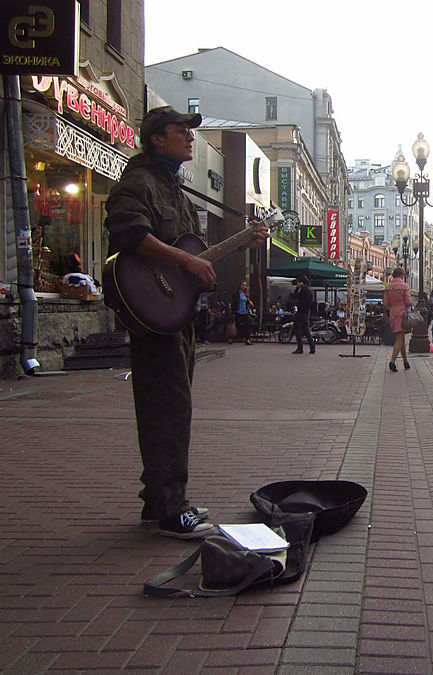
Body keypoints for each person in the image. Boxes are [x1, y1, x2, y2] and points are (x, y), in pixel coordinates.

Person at [104, 105, 268, 538]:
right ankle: (170, 509)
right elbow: (129, 234)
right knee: (168, 410)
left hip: (173, 316)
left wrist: (239, 246)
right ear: (157, 137)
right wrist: (185, 263)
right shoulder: (139, 183)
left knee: (173, 409)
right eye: (182, 131)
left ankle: (159, 500)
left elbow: (190, 256)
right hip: (152, 313)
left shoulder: (172, 188)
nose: (190, 139)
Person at [383, 267, 414, 371]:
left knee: (400, 338)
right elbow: (409, 302)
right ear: (402, 275)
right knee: (399, 338)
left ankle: (406, 361)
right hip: (402, 314)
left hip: (393, 313)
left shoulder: (388, 287)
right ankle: (392, 362)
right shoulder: (404, 286)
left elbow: (386, 303)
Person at [288, 275, 315, 354]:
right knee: (306, 330)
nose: (297, 284)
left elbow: (295, 297)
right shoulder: (309, 291)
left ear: (301, 283)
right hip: (306, 313)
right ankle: (312, 347)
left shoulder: (303, 290)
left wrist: (296, 290)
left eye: (298, 282)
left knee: (298, 331)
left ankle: (300, 348)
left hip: (301, 312)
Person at [232, 280, 254, 345]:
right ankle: (232, 337)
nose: (244, 286)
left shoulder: (245, 294)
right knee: (237, 325)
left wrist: (250, 302)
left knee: (247, 325)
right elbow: (234, 302)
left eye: (245, 285)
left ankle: (247, 339)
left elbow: (247, 301)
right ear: (240, 286)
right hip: (238, 311)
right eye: (243, 285)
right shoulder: (236, 293)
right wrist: (233, 311)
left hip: (245, 311)